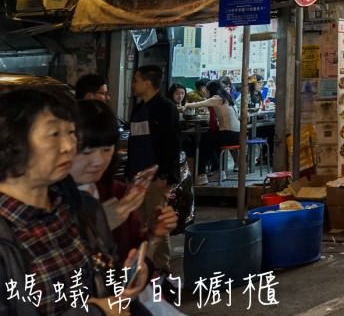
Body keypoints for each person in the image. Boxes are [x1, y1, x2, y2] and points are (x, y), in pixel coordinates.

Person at [0, 88, 148, 316]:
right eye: (54, 134)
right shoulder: (7, 229)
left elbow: (101, 283)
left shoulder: (82, 208)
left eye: (71, 133)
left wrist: (124, 280)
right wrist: (94, 312)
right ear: (11, 141)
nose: (69, 146)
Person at [70, 101, 177, 277]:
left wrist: (154, 232)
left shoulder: (118, 192)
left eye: (106, 150)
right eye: (86, 152)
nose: (98, 161)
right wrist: (111, 217)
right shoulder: (48, 198)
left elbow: (135, 261)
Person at [127, 65, 180, 274]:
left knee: (158, 221)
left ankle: (161, 269)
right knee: (139, 225)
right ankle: (142, 268)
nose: (134, 84)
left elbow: (172, 144)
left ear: (148, 83)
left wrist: (165, 175)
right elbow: (135, 144)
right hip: (137, 178)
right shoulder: (139, 109)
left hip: (156, 178)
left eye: (136, 80)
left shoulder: (165, 108)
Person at [183, 80, 239, 183]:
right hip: (237, 135)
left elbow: (200, 103)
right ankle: (219, 172)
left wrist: (186, 106)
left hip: (228, 134)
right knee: (211, 142)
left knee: (202, 143)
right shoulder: (228, 98)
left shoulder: (217, 98)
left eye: (207, 90)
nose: (206, 92)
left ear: (211, 90)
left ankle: (201, 175)